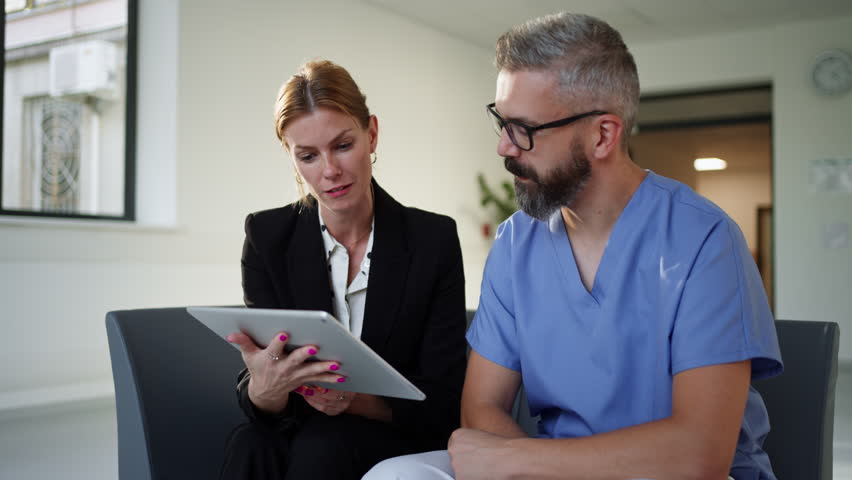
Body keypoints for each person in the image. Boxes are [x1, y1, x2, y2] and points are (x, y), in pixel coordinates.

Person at [364, 12, 782, 480]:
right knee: (398, 475)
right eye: (501, 122)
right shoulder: (515, 241)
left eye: (525, 129)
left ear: (603, 135)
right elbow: (481, 409)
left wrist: (516, 461)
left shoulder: (705, 240)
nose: (504, 146)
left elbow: (699, 454)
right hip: (549, 467)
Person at [219, 59, 468, 480]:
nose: (329, 171)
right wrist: (265, 390)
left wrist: (355, 401)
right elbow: (260, 388)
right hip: (302, 425)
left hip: (392, 431)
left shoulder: (433, 239)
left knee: (326, 447)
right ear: (291, 157)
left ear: (371, 133)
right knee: (249, 444)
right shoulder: (266, 236)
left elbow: (443, 398)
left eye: (343, 145)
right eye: (308, 156)